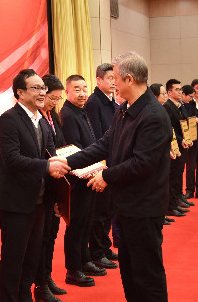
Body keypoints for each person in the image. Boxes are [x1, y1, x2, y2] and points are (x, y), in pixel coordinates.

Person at [52, 52, 172, 302]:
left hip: (144, 207)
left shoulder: (153, 115)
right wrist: (67, 162)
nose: (113, 82)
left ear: (129, 79)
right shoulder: (125, 109)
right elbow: (105, 144)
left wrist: (106, 175)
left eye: (115, 77)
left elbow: (142, 163)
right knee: (129, 271)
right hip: (126, 205)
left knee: (146, 272)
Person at [0, 69, 70, 302]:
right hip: (15, 203)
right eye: (36, 88)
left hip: (40, 201)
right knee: (14, 259)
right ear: (20, 92)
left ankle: (25, 296)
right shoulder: (9, 119)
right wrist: (47, 166)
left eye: (43, 88)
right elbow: (11, 159)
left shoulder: (42, 120)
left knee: (32, 258)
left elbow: (51, 156)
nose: (42, 92)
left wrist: (57, 197)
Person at [60, 74, 105, 287]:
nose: (82, 93)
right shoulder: (68, 114)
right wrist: (92, 167)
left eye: (85, 89)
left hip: (89, 174)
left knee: (86, 222)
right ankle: (73, 269)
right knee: (76, 224)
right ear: (67, 91)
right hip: (77, 178)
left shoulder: (81, 111)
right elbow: (74, 149)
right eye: (77, 89)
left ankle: (85, 260)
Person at [34, 74, 67, 302]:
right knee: (42, 237)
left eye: (57, 99)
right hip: (43, 184)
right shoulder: (37, 118)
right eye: (51, 98)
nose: (54, 103)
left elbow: (59, 146)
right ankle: (40, 283)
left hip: (56, 182)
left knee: (52, 235)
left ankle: (47, 276)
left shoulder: (52, 116)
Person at [84, 63, 118, 269]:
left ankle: (105, 247)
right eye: (110, 78)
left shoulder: (112, 102)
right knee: (100, 212)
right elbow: (96, 138)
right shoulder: (94, 102)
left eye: (115, 78)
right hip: (101, 164)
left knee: (109, 209)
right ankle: (96, 252)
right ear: (99, 80)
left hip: (113, 163)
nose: (114, 82)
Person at [163, 79, 191, 219]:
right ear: (169, 92)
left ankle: (177, 199)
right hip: (174, 145)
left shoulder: (180, 105)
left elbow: (184, 124)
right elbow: (170, 128)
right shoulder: (167, 107)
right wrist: (180, 140)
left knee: (179, 174)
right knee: (173, 176)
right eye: (177, 89)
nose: (180, 92)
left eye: (181, 89)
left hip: (183, 144)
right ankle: (171, 205)